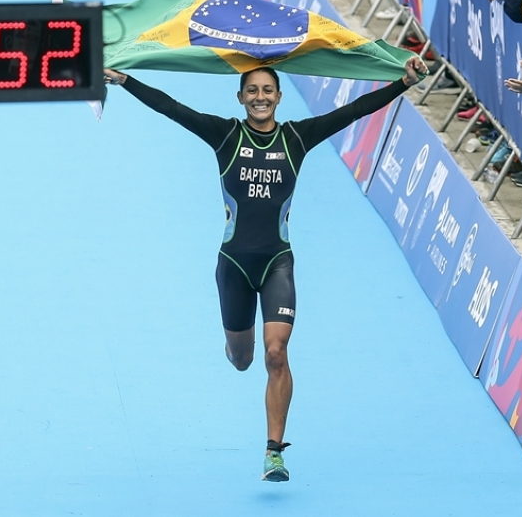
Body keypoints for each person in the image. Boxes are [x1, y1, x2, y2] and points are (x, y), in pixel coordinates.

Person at [102, 56, 428, 483]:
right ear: (240, 98)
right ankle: (237, 345)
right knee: (242, 359)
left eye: (267, 90)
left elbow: (355, 111)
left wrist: (404, 82)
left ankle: (274, 452)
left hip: (277, 261)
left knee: (277, 353)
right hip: (233, 264)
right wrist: (126, 80)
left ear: (279, 96)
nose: (260, 97)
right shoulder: (224, 135)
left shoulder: (297, 137)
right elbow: (172, 108)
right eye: (252, 91)